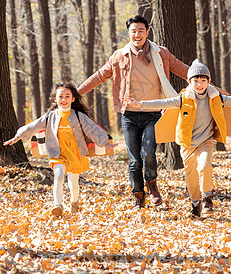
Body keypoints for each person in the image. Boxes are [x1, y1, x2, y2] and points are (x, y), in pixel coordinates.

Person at [125, 59, 231, 218]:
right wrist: (140, 105)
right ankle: (195, 203)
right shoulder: (183, 98)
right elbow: (164, 102)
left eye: (203, 80)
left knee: (204, 167)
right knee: (191, 177)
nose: (199, 84)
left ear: (209, 81)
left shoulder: (216, 97)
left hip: (205, 141)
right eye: (196, 81)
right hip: (187, 144)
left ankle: (207, 199)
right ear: (189, 82)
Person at [78, 15, 189, 210]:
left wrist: (210, 85)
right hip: (128, 115)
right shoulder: (119, 56)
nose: (137, 34)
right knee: (134, 160)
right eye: (133, 31)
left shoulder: (161, 53)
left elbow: (185, 70)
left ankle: (152, 185)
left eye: (140, 31)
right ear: (129, 33)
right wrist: (75, 93)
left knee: (148, 153)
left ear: (147, 32)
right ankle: (138, 196)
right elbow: (99, 76)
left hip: (153, 112)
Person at [4, 82, 118, 217]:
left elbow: (92, 128)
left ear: (73, 99)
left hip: (75, 153)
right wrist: (18, 136)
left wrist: (105, 142)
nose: (63, 100)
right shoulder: (50, 116)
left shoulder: (78, 116)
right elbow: (33, 126)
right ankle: (57, 205)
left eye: (67, 96)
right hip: (58, 153)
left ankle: (74, 202)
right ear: (55, 99)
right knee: (58, 175)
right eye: (60, 97)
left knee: (73, 182)